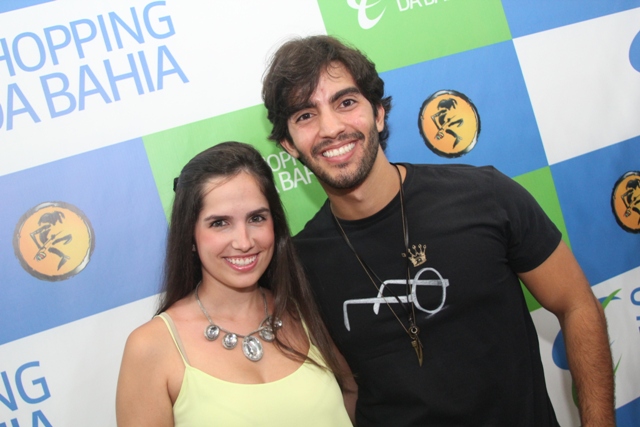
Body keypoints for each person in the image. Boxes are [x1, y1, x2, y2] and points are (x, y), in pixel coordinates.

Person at [262, 35, 615, 426]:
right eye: (305, 115)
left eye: (345, 102)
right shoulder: (301, 264)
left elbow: (577, 304)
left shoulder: (484, 195)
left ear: (378, 113)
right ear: (289, 144)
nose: (331, 128)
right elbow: (348, 389)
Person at [115, 142, 355, 426]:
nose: (244, 242)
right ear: (190, 235)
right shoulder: (151, 346)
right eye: (219, 223)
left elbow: (353, 401)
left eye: (256, 218)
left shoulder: (305, 308)